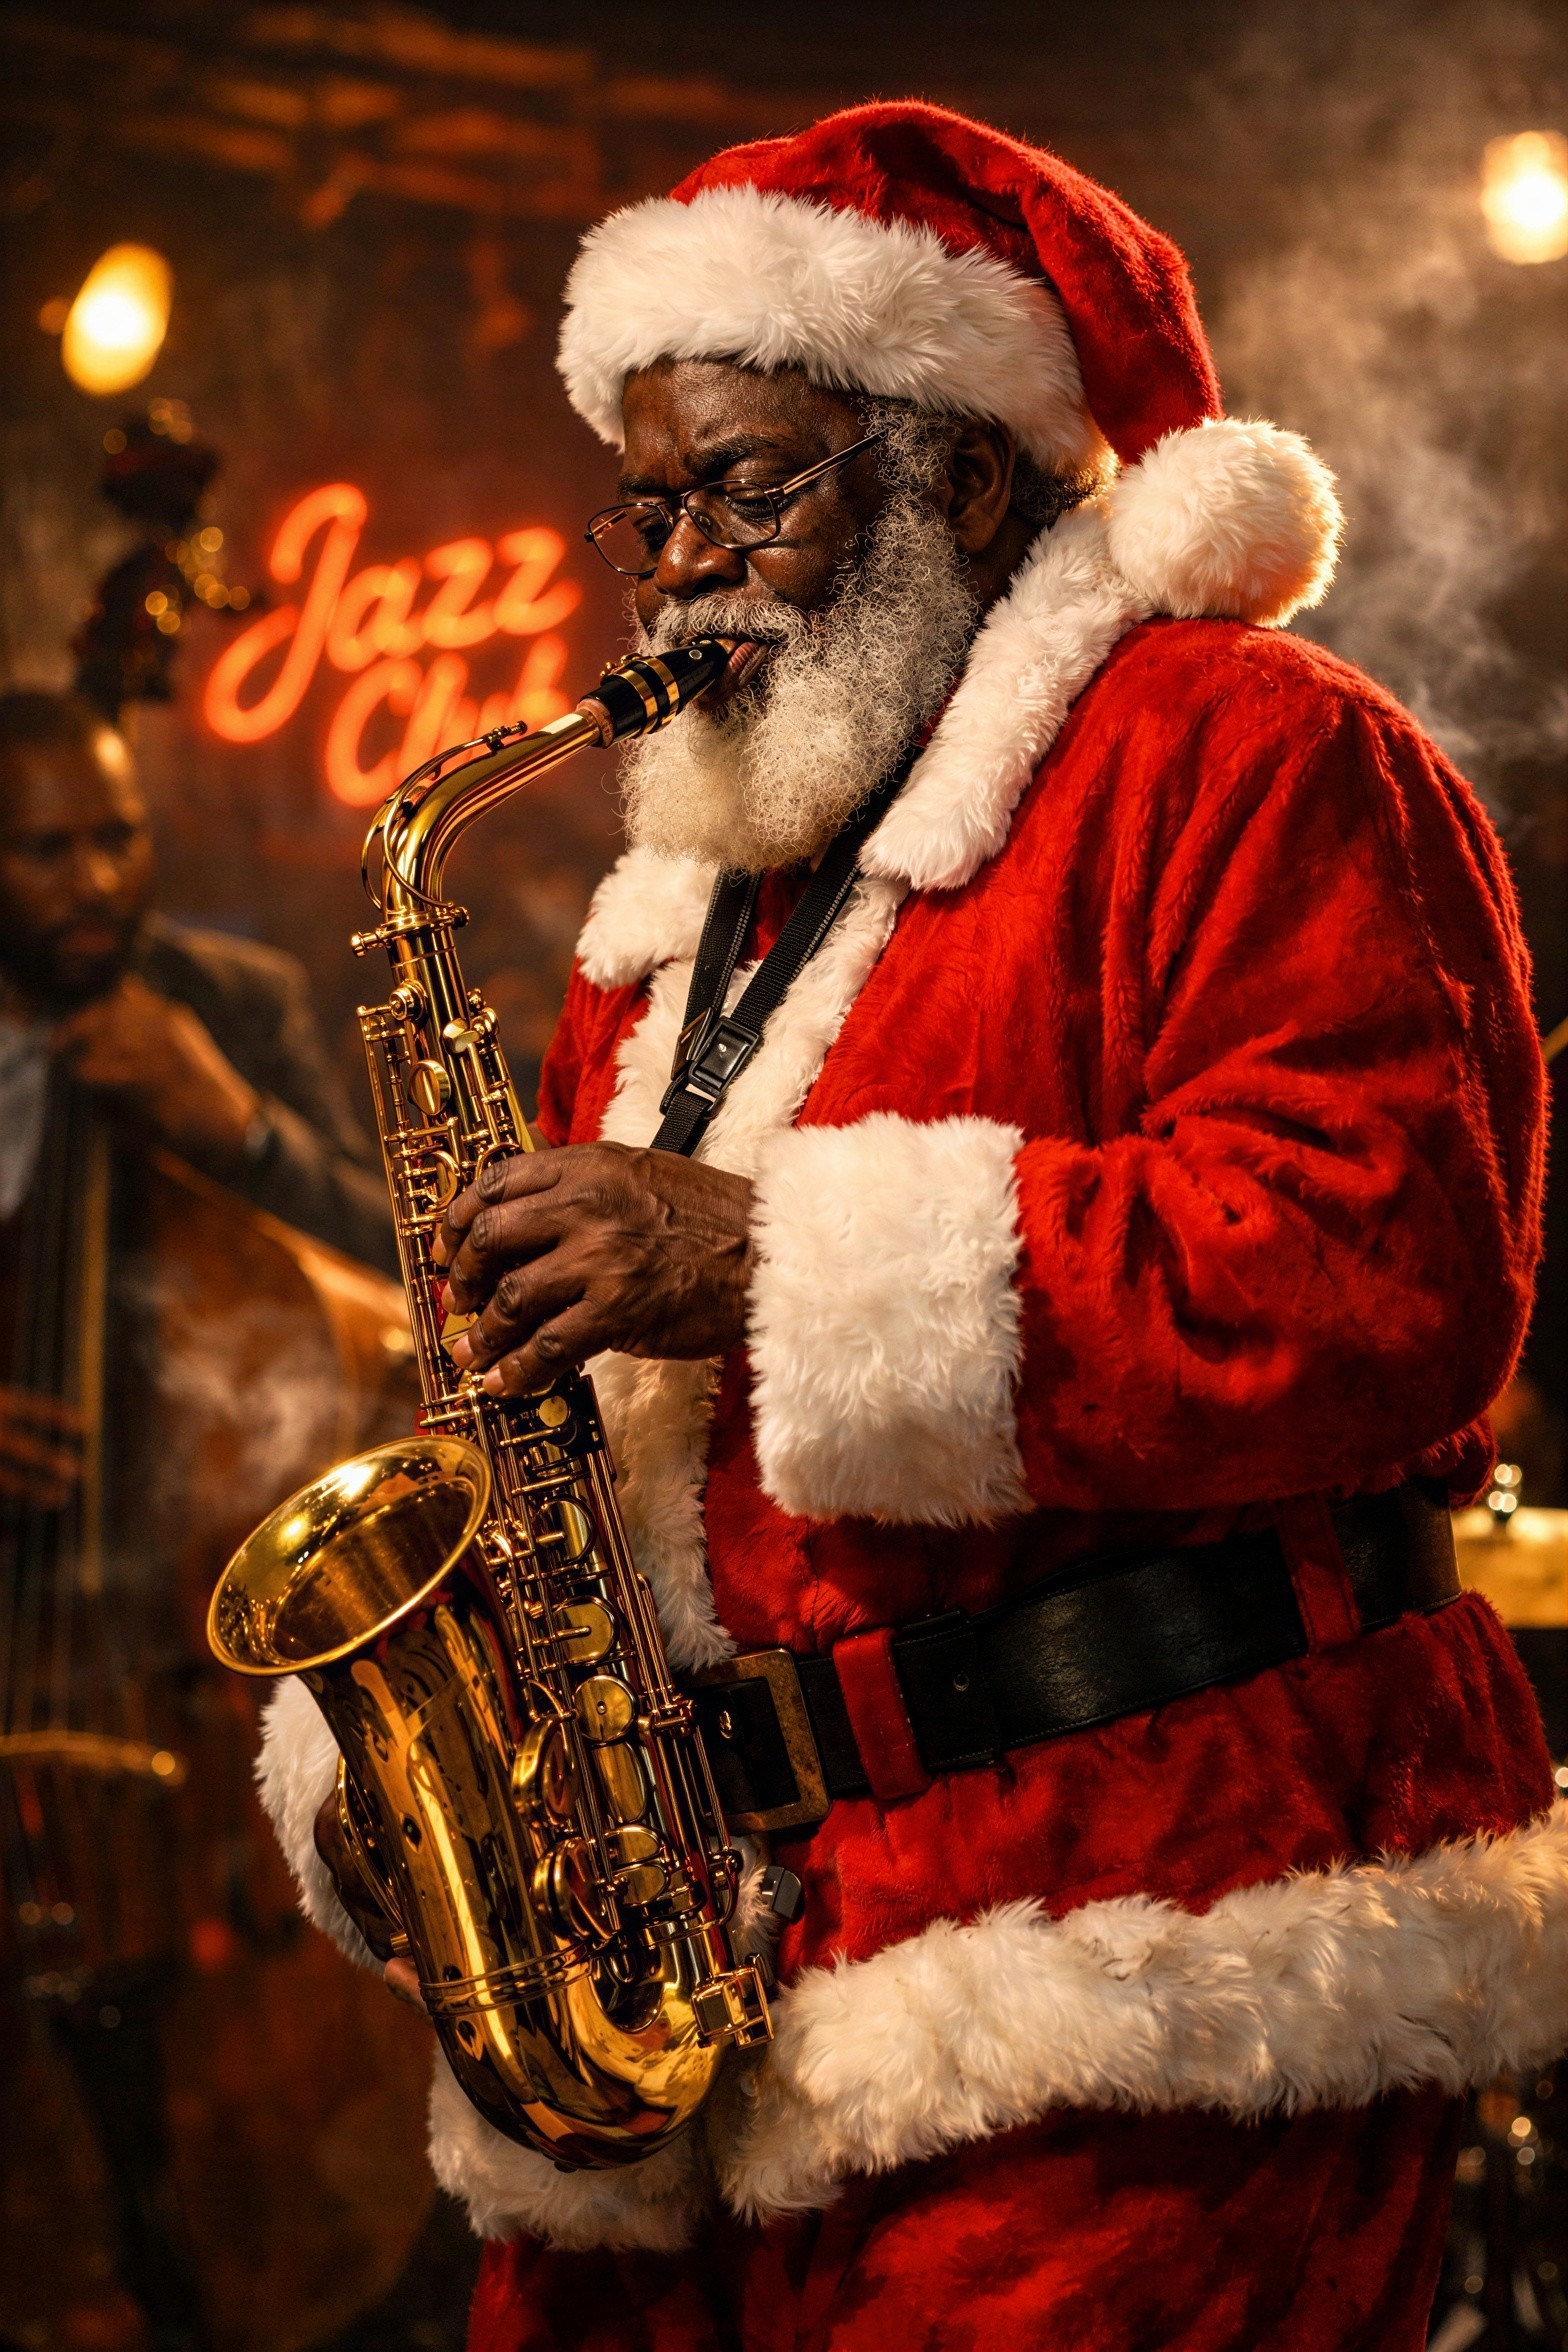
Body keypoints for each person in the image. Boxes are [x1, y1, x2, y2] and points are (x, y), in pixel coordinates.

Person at [259, 103, 1568, 2350]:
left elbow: (1394, 1280)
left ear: (958, 474)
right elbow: (541, 1434)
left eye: (750, 489)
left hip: (1136, 1974)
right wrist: (425, 1774)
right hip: (703, 1999)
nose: (678, 571)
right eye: (648, 507)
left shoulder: (1251, 753)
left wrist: (766, 1257)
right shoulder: (665, 912)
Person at [0, 688, 394, 2350]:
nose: (95, 880)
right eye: (43, 850)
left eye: (118, 835)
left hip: (197, 1683)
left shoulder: (237, 1001)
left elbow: (402, 1273)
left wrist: (229, 1122)